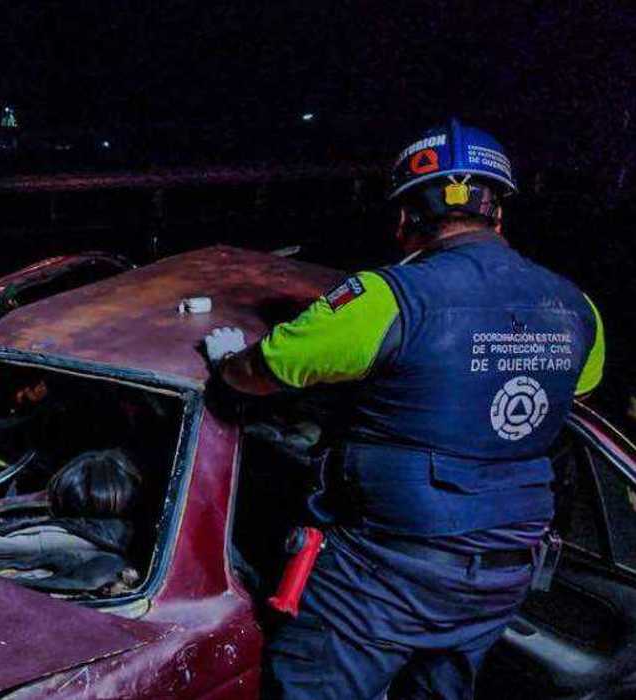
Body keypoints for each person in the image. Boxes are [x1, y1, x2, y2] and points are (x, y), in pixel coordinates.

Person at [204, 119, 605, 699]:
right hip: (504, 574)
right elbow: (574, 395)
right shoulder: (578, 307)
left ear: (404, 219)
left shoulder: (384, 300)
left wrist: (224, 360)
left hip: (384, 575)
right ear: (499, 213)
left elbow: (257, 374)